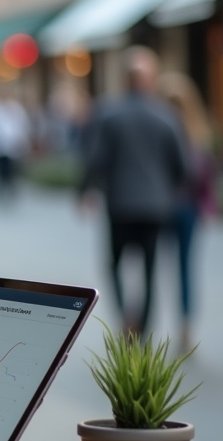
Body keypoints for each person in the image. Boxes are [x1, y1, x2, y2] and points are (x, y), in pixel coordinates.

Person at [80, 46, 188, 339]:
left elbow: (95, 159)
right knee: (150, 271)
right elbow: (182, 164)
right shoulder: (166, 116)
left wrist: (85, 190)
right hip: (155, 206)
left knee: (114, 264)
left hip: (121, 205)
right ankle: (142, 329)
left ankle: (125, 317)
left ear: (125, 78)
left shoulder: (109, 114)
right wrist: (167, 190)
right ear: (151, 78)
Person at [157, 71, 217, 347]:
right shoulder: (158, 131)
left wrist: (207, 207)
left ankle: (185, 324)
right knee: (152, 268)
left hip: (185, 210)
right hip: (158, 209)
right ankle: (147, 323)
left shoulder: (197, 134)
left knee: (183, 268)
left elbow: (206, 179)